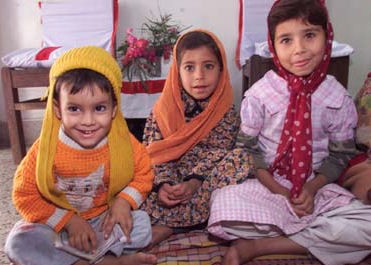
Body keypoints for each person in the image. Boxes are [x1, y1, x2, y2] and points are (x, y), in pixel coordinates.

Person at [207, 1, 371, 265]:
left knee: (367, 225)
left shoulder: (337, 97)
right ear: (272, 46)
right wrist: (280, 192)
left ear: (326, 37)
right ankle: (305, 235)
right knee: (221, 204)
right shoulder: (261, 94)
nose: (300, 49)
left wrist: (312, 188)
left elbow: (341, 156)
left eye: (309, 35)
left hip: (317, 189)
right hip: (267, 186)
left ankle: (260, 246)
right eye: (286, 40)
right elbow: (247, 149)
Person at [4, 46, 157, 265]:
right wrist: (68, 221)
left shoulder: (124, 143)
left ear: (114, 108)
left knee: (141, 224)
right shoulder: (45, 149)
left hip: (102, 221)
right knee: (19, 241)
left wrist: (123, 202)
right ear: (58, 109)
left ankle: (82, 259)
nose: (88, 121)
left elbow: (144, 173)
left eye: (99, 108)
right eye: (75, 109)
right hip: (59, 227)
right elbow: (24, 195)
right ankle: (107, 261)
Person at [140, 29, 252, 246]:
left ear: (221, 70)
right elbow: (153, 154)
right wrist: (164, 185)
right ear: (177, 72)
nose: (199, 76)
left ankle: (169, 225)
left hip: (203, 185)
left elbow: (219, 153)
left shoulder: (225, 110)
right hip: (168, 185)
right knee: (129, 174)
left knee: (242, 158)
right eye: (189, 67)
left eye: (208, 66)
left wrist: (192, 183)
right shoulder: (162, 110)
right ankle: (183, 220)